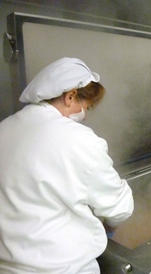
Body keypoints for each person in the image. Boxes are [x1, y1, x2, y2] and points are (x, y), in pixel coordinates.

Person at [0, 57, 134, 274]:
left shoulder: (5, 127)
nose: (85, 115)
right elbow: (119, 208)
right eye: (86, 107)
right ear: (70, 96)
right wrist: (110, 220)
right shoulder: (78, 138)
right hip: (60, 268)